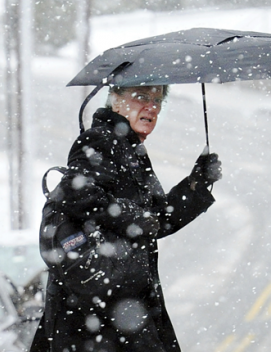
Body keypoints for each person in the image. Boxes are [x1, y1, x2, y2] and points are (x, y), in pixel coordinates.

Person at [30, 85, 222, 352]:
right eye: (142, 97)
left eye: (158, 100)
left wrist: (195, 184)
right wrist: (129, 215)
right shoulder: (101, 140)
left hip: (121, 308)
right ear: (115, 100)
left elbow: (155, 221)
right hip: (97, 314)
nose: (152, 107)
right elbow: (77, 193)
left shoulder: (129, 148)